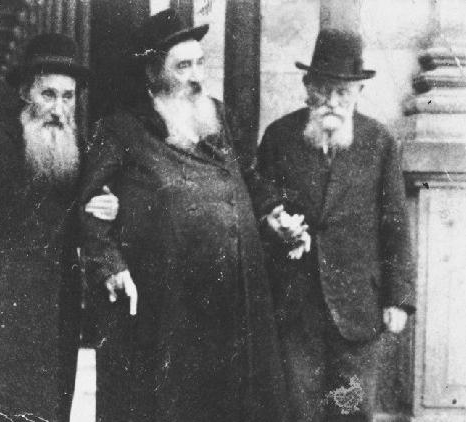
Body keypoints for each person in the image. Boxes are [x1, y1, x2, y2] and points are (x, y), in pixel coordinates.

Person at [79, 8, 288, 422]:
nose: (197, 76)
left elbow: (248, 178)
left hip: (233, 299)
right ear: (153, 72)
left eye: (200, 63)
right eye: (183, 66)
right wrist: (110, 265)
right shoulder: (121, 129)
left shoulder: (218, 117)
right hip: (167, 304)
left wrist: (273, 213)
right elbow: (90, 207)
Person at [0, 34, 117, 421]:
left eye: (68, 97)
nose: (58, 108)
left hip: (55, 310)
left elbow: (81, 218)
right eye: (48, 94)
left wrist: (106, 206)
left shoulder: (77, 146)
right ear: (25, 93)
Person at [249, 29, 416, 422]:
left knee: (349, 408)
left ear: (359, 93)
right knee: (299, 408)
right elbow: (259, 203)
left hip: (357, 311)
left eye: (343, 92)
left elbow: (394, 224)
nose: (333, 102)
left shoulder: (378, 142)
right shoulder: (279, 137)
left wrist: (398, 299)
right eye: (324, 90)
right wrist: (276, 224)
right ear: (308, 88)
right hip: (296, 308)